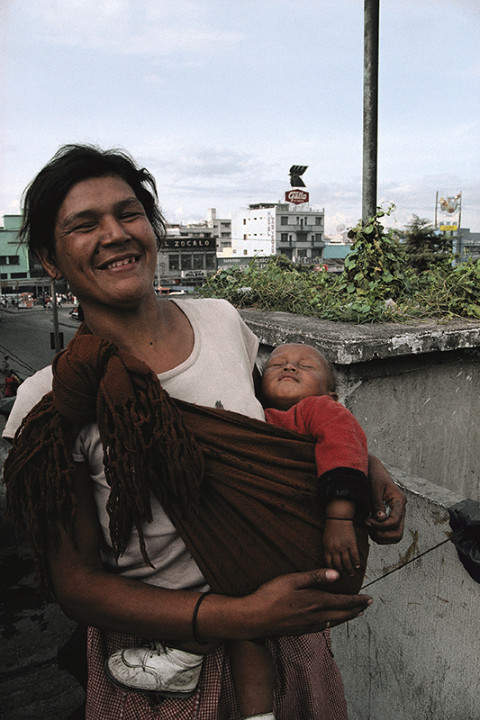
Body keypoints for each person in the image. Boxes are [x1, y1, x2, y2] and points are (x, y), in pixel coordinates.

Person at [3, 144, 406, 720]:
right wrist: (238, 617)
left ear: (152, 227)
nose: (115, 234)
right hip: (162, 668)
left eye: (130, 213)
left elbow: (272, 435)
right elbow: (77, 586)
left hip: (287, 636)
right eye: (85, 225)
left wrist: (368, 468)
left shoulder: (221, 320)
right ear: (48, 258)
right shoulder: (49, 403)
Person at [105, 341, 371, 720]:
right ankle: (257, 713)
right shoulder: (251, 417)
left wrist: (341, 517)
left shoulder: (319, 410)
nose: (290, 367)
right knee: (250, 630)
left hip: (312, 536)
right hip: (264, 540)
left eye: (305, 365)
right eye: (278, 363)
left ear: (331, 393)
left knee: (237, 597)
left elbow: (345, 449)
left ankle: (187, 649)